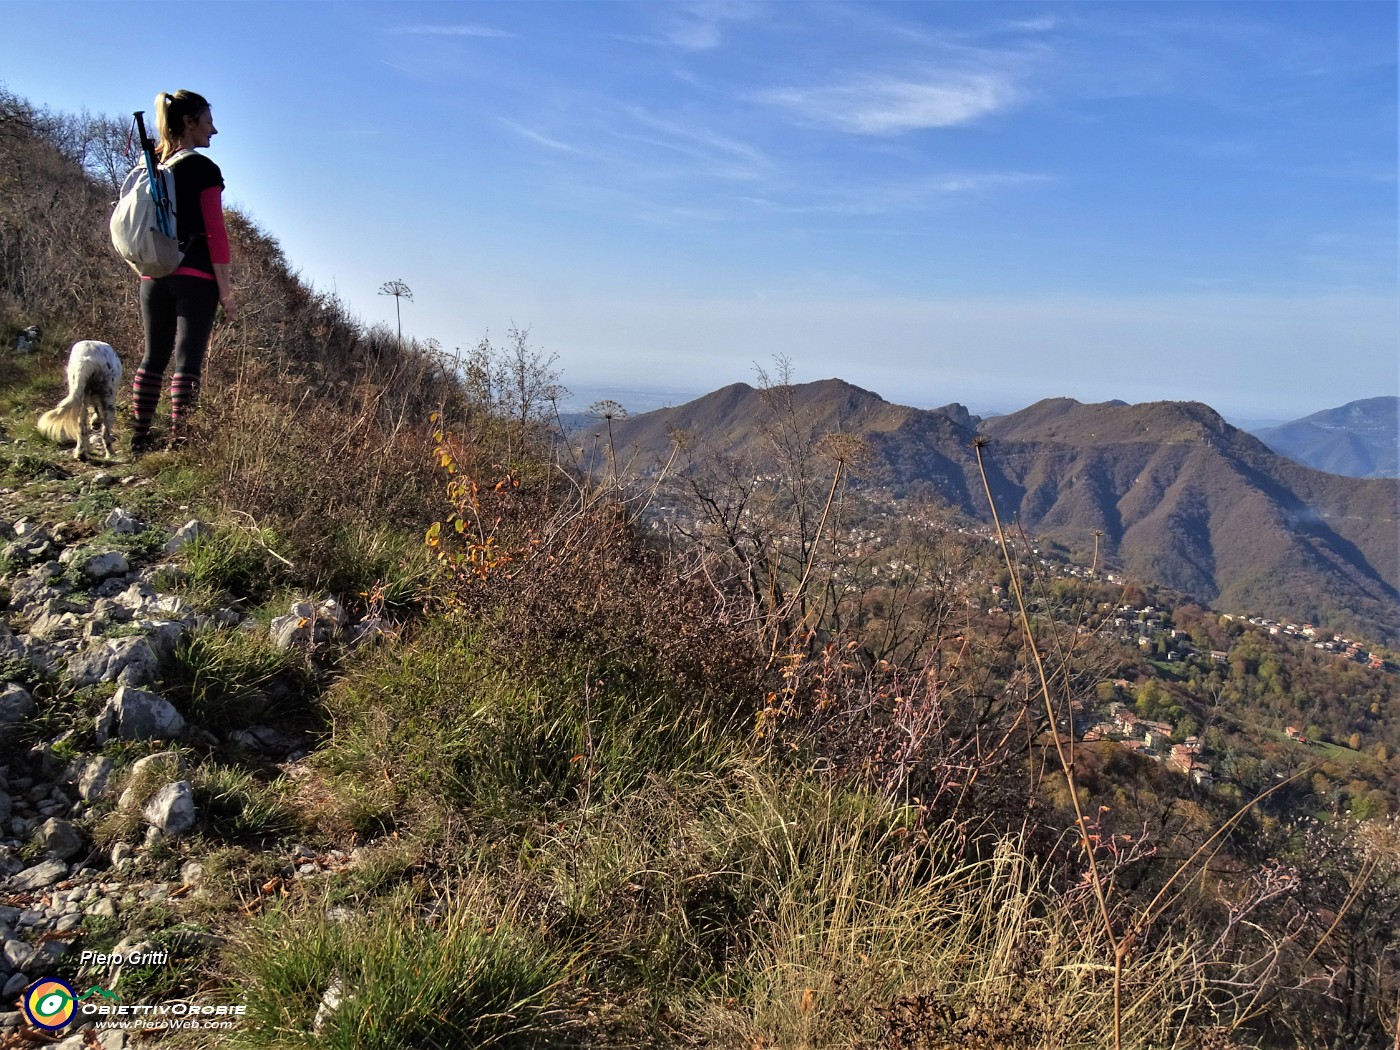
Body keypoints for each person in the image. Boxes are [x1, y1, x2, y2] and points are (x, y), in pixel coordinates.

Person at [130, 89, 238, 455]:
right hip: (195, 277)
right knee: (187, 362)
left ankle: (139, 438)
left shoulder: (156, 165)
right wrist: (225, 291)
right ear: (189, 123)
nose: (214, 130)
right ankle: (179, 443)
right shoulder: (204, 169)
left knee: (152, 358)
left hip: (153, 274)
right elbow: (215, 233)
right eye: (208, 122)